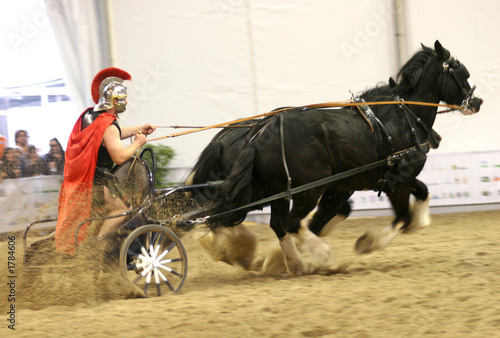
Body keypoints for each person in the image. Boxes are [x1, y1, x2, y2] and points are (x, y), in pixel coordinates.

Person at [55, 67, 156, 255]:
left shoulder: (91, 115)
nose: (126, 102)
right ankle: (97, 244)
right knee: (124, 209)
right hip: (98, 181)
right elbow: (119, 156)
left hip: (84, 179)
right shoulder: (108, 124)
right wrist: (137, 143)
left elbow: (112, 135)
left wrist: (137, 129)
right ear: (114, 101)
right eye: (123, 99)